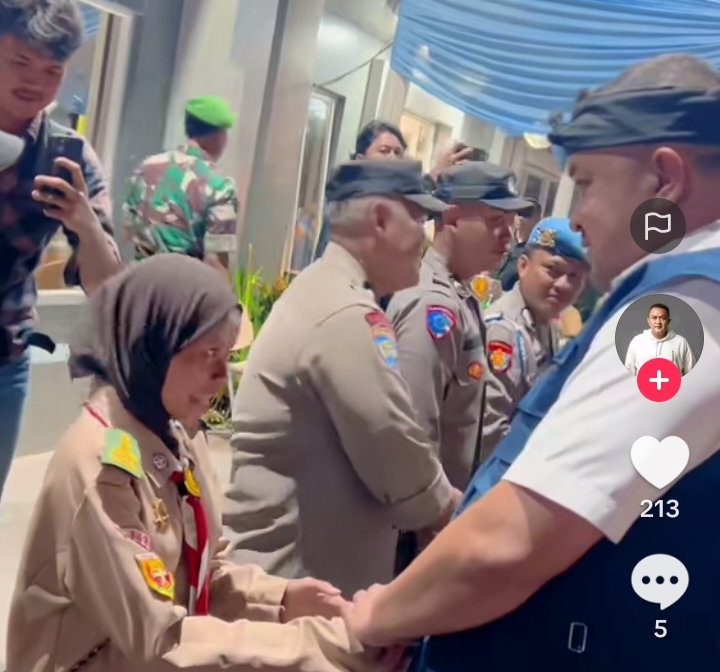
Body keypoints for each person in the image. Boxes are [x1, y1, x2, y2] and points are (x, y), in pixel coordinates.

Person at [339, 54, 720, 669]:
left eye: (588, 183)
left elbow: (511, 542)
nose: (579, 217)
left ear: (664, 181)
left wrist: (379, 615)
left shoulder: (683, 312)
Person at [7, 254, 406, 672]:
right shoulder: (98, 470)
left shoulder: (175, 434)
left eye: (226, 353)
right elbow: (160, 640)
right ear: (153, 348)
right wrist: (321, 645)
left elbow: (200, 573)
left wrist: (281, 600)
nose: (221, 375)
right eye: (209, 353)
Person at [223, 160, 463, 598]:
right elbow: (397, 453)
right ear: (380, 219)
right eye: (419, 219)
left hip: (289, 584)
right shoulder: (346, 314)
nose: (425, 239)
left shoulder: (322, 289)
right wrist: (456, 510)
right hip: (296, 593)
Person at [0, 0, 122, 501]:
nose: (36, 82)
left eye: (53, 70)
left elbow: (108, 285)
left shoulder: (68, 155)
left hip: (4, 359)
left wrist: (84, 223)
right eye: (20, 62)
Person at [386, 162, 530, 492]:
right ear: (451, 219)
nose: (508, 236)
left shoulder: (460, 294)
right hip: (422, 510)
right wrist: (432, 512)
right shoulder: (433, 304)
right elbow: (412, 432)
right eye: (496, 221)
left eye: (511, 223)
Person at [482, 217, 589, 457]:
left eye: (574, 277)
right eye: (552, 270)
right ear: (523, 266)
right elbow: (491, 432)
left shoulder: (544, 321)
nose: (563, 284)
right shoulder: (504, 331)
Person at [313, 121, 473, 260]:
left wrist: (439, 175)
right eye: (384, 151)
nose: (393, 158)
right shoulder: (350, 202)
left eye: (398, 153)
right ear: (360, 160)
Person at [123, 95, 238, 273]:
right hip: (184, 286)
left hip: (139, 281)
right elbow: (216, 263)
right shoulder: (220, 187)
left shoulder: (147, 168)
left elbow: (129, 231)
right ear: (217, 136)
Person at [625, 302, 695, 375]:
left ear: (668, 321)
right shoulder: (637, 342)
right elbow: (628, 374)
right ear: (648, 321)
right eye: (654, 318)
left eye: (663, 318)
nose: (658, 322)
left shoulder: (681, 342)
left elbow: (692, 374)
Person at [493, 198, 541, 291]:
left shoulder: (535, 251)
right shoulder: (504, 240)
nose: (521, 217)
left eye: (527, 213)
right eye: (518, 212)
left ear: (537, 219)